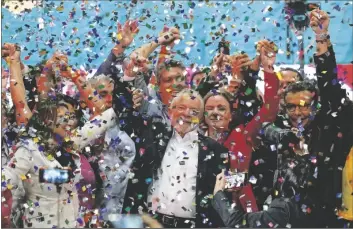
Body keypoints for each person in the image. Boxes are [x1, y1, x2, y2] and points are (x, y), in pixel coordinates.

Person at [261, 9, 353, 227]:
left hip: (324, 218)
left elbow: (330, 88)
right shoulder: (281, 126)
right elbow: (262, 126)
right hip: (282, 216)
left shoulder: (328, 129)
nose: (297, 113)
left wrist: (321, 36)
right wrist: (280, 135)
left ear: (316, 106)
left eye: (303, 106)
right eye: (291, 107)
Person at [121, 89, 230, 228]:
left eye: (194, 111)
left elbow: (218, 198)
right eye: (181, 108)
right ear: (171, 110)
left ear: (201, 117)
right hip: (151, 222)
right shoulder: (153, 136)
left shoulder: (215, 150)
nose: (186, 114)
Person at [212, 156, 315, 228]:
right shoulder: (308, 201)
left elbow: (236, 222)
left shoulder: (282, 210)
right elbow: (265, 179)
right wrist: (237, 179)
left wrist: (218, 194)